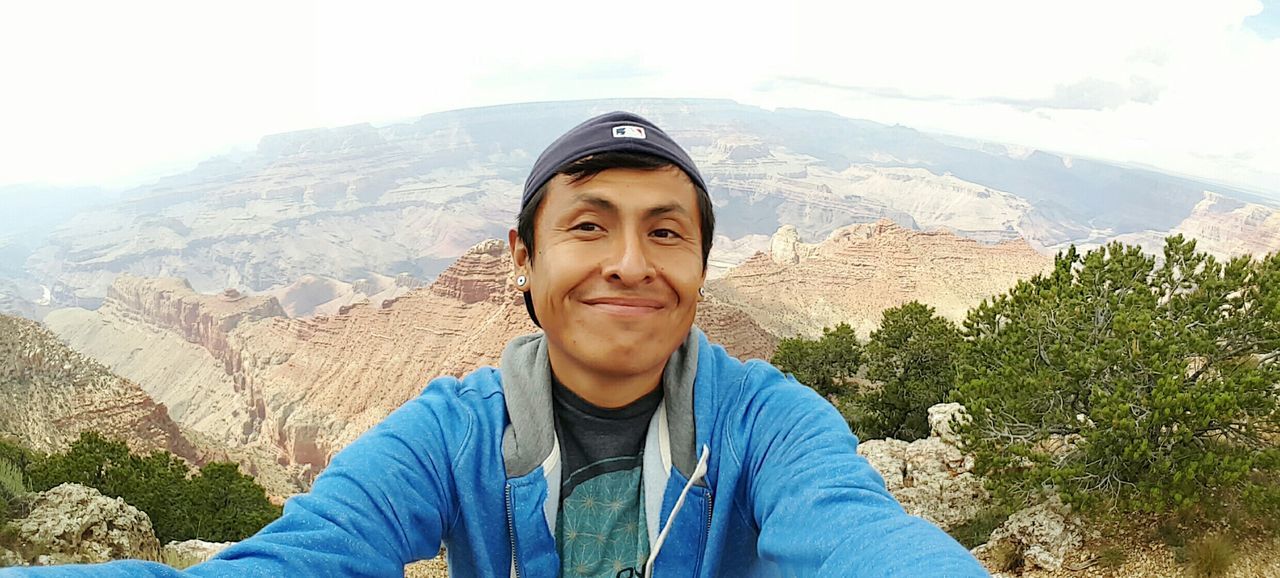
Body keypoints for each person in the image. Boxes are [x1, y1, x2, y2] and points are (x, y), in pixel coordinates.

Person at [1, 112, 989, 577]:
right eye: (588, 225)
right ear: (520, 259)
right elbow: (304, 556)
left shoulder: (770, 424)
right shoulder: (448, 433)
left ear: (700, 268)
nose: (629, 262)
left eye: (666, 231)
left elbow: (869, 540)